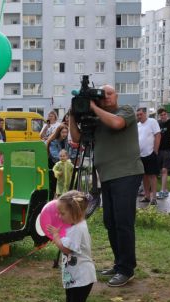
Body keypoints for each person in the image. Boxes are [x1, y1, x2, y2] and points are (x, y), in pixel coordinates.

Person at [69, 85, 143, 288]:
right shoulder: (98, 119)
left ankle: (126, 269)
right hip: (108, 177)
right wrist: (72, 116)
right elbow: (77, 139)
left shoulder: (125, 111)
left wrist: (93, 107)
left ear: (116, 95)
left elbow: (117, 123)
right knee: (110, 221)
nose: (107, 97)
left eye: (110, 93)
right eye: (103, 95)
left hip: (127, 173)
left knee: (123, 222)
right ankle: (119, 264)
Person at [44, 191, 96, 302]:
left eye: (62, 213)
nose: (59, 216)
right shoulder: (74, 226)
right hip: (73, 275)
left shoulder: (77, 230)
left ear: (75, 212)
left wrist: (56, 237)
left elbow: (66, 249)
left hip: (82, 276)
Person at [136, 107, 161, 204]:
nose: (139, 116)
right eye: (138, 115)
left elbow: (158, 135)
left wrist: (155, 150)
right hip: (140, 155)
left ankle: (154, 198)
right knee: (144, 176)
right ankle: (147, 196)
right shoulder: (137, 125)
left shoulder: (152, 122)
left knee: (152, 176)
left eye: (141, 114)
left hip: (151, 153)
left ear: (145, 114)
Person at [156, 108, 170, 199]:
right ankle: (165, 189)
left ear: (167, 114)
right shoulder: (158, 123)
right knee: (159, 171)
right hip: (159, 150)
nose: (163, 116)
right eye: (161, 115)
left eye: (164, 114)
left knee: (165, 170)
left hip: (168, 150)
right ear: (159, 116)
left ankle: (163, 190)